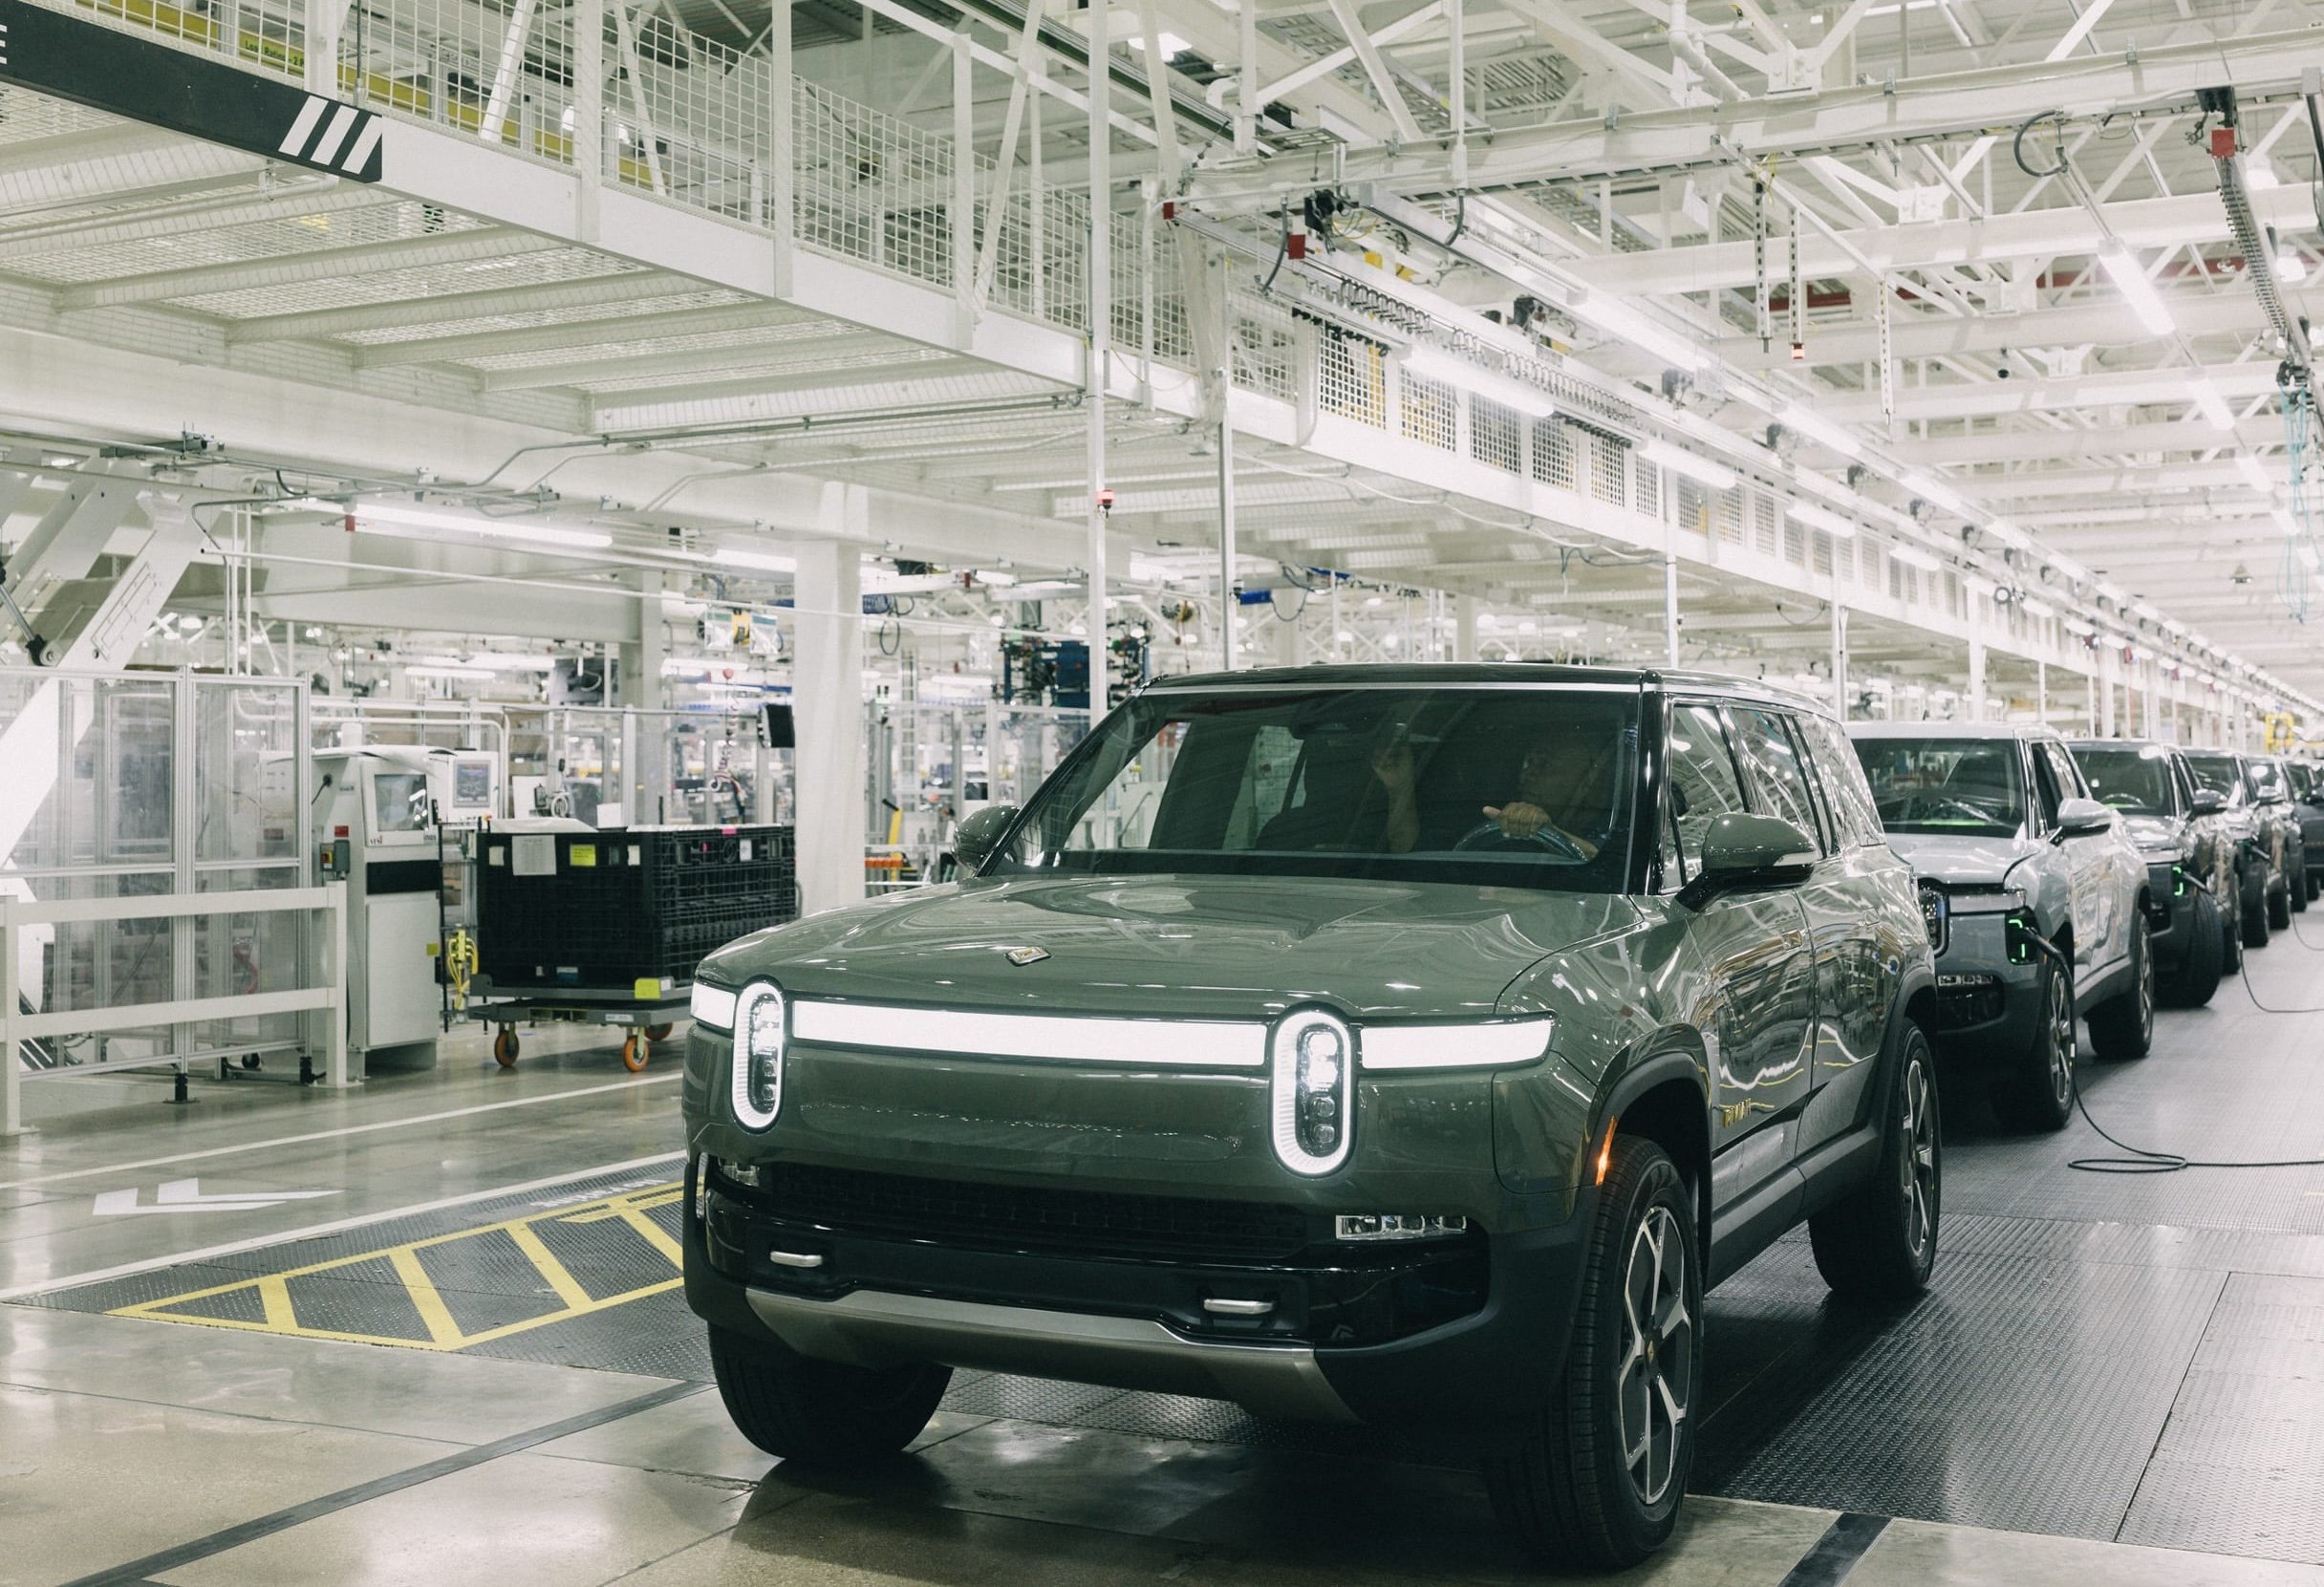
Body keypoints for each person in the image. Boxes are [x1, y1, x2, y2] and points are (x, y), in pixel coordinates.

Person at [1370, 723, 1606, 859]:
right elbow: (1407, 858)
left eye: (1545, 764)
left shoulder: (1614, 827)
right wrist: (1399, 787)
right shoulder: (1495, 822)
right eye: (1529, 762)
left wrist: (1550, 833)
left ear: (1588, 780)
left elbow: (1609, 869)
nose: (1528, 774)